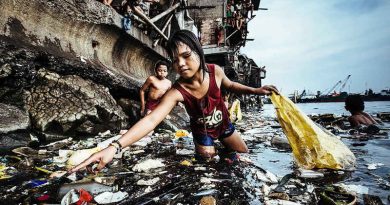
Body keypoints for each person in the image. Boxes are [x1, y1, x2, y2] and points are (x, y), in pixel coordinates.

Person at [70, 30, 278, 173]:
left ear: (198, 51)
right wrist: (115, 147)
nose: (181, 63)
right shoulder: (176, 91)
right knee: (208, 161)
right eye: (175, 60)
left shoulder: (216, 72)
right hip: (202, 132)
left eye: (186, 56)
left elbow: (231, 85)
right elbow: (151, 121)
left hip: (224, 125)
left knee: (243, 154)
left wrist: (256, 90)